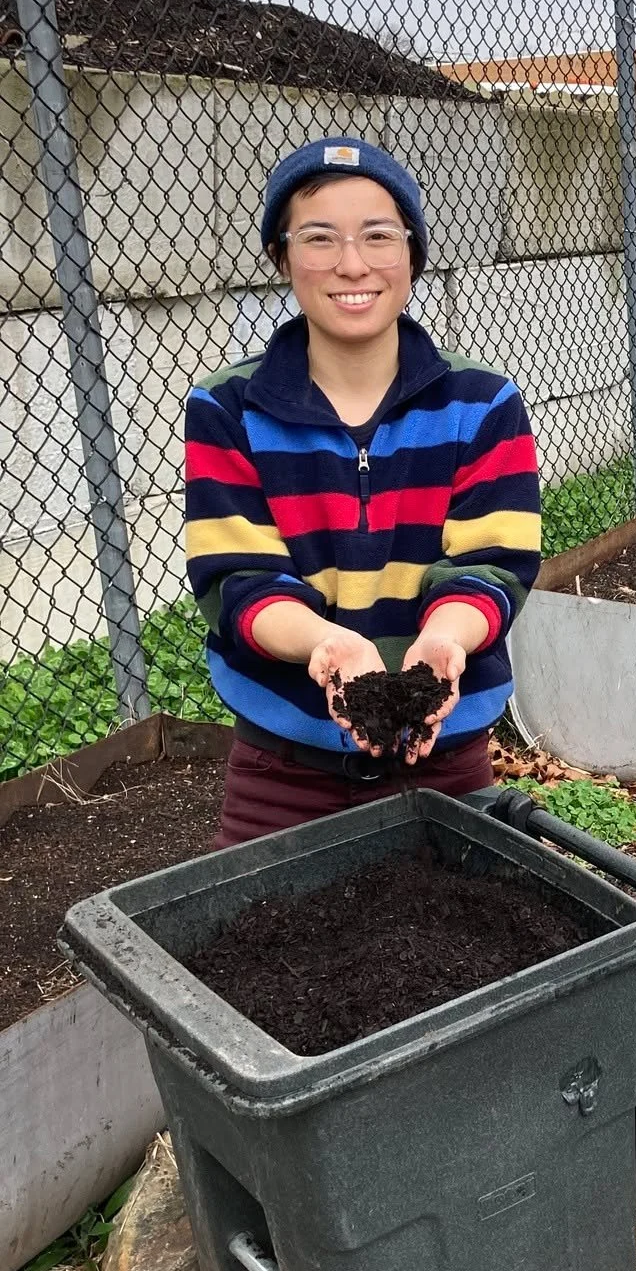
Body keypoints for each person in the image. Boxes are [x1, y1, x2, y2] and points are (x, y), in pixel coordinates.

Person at [185, 138, 540, 847]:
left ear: (412, 253)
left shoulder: (482, 404)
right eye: (320, 238)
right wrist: (326, 644)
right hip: (281, 765)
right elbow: (238, 580)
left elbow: (496, 562)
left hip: (445, 755)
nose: (352, 264)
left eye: (379, 235)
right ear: (283, 258)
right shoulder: (228, 408)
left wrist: (444, 635)